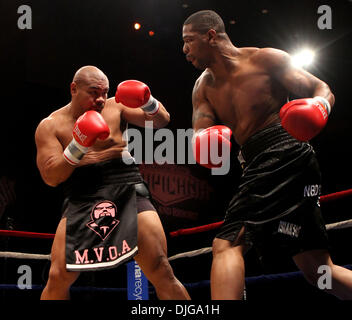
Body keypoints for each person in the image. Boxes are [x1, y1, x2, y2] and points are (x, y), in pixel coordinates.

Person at [183, 10, 352, 300]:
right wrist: (202, 140)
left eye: (188, 41)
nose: (184, 50)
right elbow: (202, 128)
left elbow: (321, 89)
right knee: (317, 269)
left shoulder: (266, 59)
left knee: (226, 245)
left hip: (284, 150)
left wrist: (319, 107)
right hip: (257, 163)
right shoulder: (202, 87)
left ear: (211, 35)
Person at [35, 65, 190, 300]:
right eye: (94, 92)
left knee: (160, 267)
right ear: (73, 88)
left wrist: (147, 101)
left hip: (126, 186)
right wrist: (78, 146)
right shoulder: (51, 125)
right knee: (57, 277)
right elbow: (51, 177)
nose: (100, 99)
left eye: (104, 92)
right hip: (81, 194)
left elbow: (161, 121)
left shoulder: (116, 105)